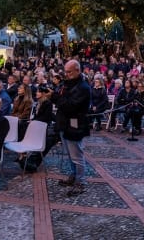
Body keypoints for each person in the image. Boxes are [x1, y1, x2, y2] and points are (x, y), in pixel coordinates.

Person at [54, 60, 92, 196]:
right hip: (65, 123)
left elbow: (70, 106)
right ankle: (73, 176)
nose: (67, 74)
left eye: (69, 72)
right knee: (70, 155)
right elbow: (62, 99)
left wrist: (54, 97)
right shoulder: (68, 84)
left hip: (76, 125)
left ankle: (81, 182)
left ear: (77, 70)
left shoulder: (83, 87)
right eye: (66, 71)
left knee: (77, 155)